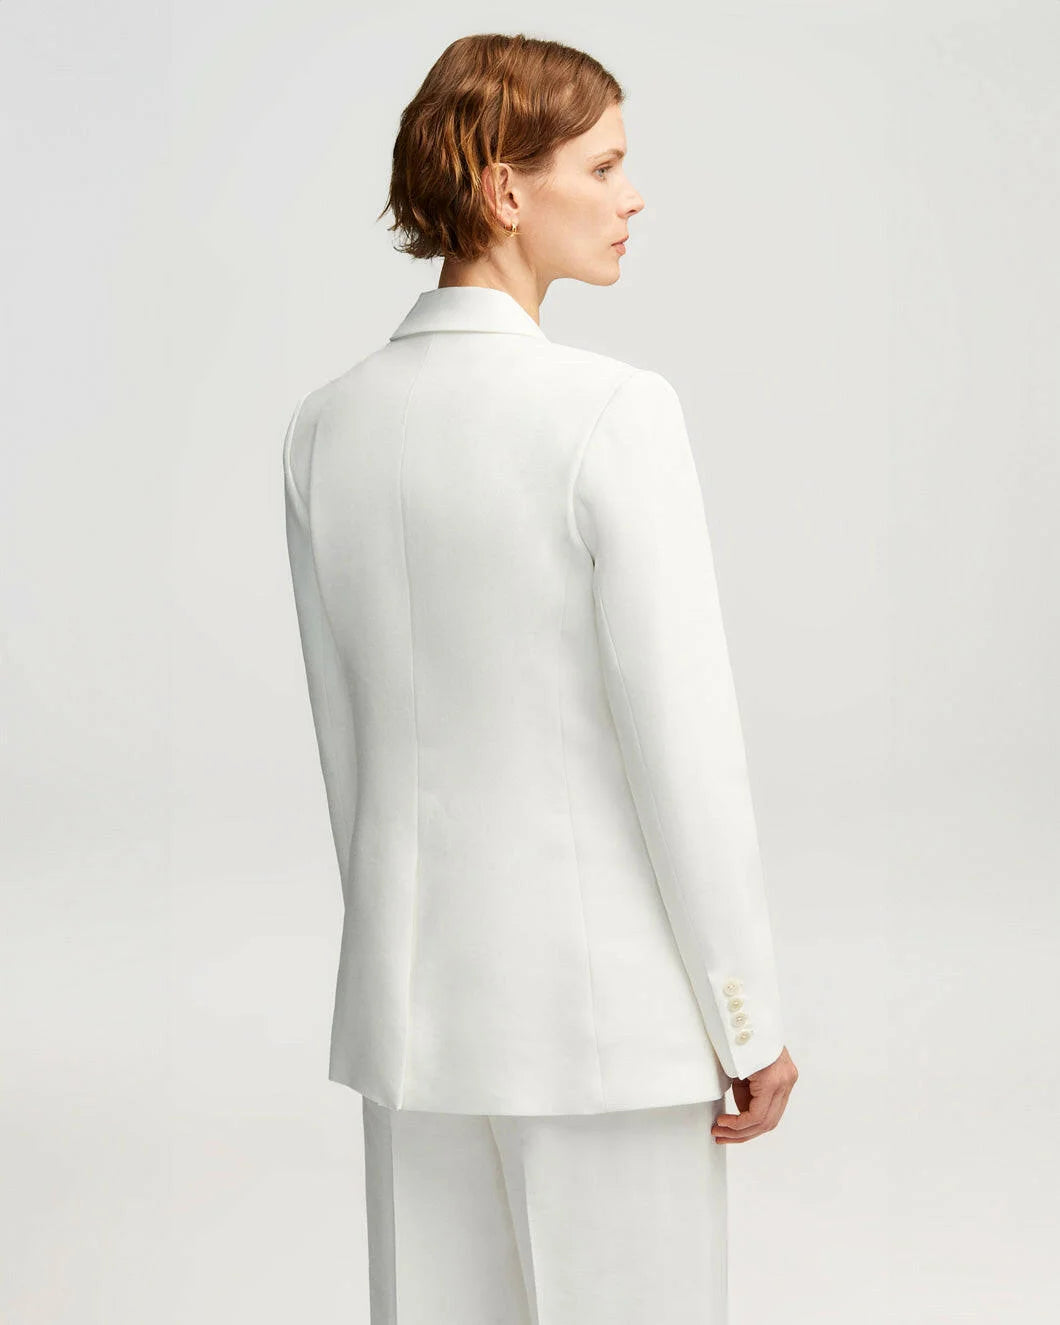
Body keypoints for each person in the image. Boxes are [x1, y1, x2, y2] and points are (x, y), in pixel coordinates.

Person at [282, 31, 798, 1324]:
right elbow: (684, 748)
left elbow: (349, 756)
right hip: (607, 1028)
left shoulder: (325, 428)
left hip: (413, 1027)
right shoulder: (614, 414)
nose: (634, 197)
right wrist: (747, 1019)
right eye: (604, 166)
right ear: (506, 189)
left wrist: (401, 970)